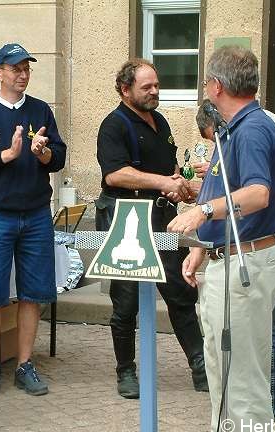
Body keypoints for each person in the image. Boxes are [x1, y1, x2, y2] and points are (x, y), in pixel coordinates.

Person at [168, 46, 275, 432]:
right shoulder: (234, 129)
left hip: (246, 263)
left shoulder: (252, 129)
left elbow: (257, 194)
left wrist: (200, 215)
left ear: (217, 85)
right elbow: (231, 195)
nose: (205, 89)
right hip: (232, 257)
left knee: (243, 386)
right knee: (224, 377)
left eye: (206, 82)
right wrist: (203, 246)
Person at [195, 101, 275, 432]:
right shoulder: (252, 126)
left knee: (268, 333)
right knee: (258, 341)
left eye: (212, 140)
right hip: (267, 239)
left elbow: (256, 194)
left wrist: (206, 208)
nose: (214, 147)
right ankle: (274, 412)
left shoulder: (251, 129)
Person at [95, 59, 208, 400]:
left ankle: (201, 365)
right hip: (125, 219)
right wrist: (164, 182)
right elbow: (115, 175)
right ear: (125, 89)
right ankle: (125, 371)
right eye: (147, 87)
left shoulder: (159, 121)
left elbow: (170, 167)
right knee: (126, 301)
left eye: (157, 85)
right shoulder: (112, 125)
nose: (155, 91)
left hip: (164, 218)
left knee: (181, 290)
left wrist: (184, 184)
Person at [0, 43, 66, 401]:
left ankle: (24, 365)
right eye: (15, 68)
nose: (22, 75)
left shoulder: (40, 110)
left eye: (26, 69)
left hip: (36, 214)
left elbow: (58, 159)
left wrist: (44, 153)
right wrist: (7, 155)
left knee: (32, 294)